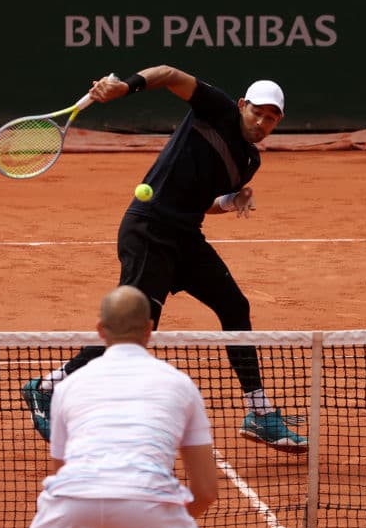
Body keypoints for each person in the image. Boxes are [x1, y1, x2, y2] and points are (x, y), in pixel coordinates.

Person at [21, 65, 307, 453]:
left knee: (234, 306)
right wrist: (125, 87)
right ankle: (48, 386)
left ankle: (258, 412)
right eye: (258, 110)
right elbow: (170, 74)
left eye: (272, 117)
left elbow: (207, 204)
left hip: (185, 237)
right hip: (150, 228)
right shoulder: (216, 108)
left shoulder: (249, 162)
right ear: (242, 105)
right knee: (135, 325)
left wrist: (233, 200)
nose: (263, 120)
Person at [10, 286, 218, 528]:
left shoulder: (68, 386)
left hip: (75, 497)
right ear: (149, 328)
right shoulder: (180, 384)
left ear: (100, 330)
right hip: (148, 500)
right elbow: (206, 491)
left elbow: (60, 472)